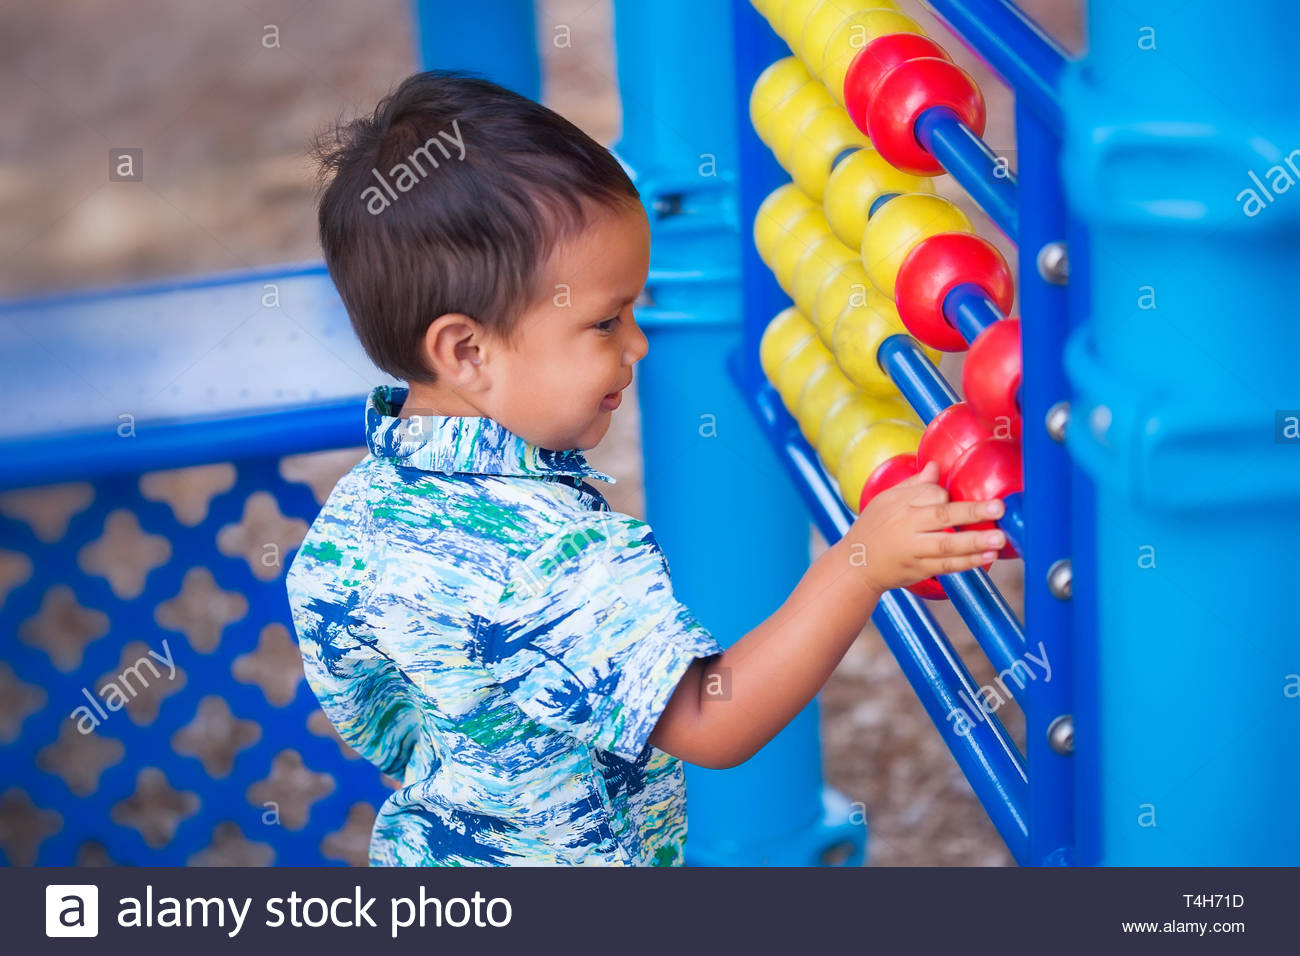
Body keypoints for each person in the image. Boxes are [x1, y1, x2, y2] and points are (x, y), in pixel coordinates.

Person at [286, 70, 1005, 866]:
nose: (639, 345)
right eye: (606, 321)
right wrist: (860, 562)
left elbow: (374, 719)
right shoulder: (549, 559)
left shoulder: (350, 524)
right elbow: (713, 718)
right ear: (467, 351)